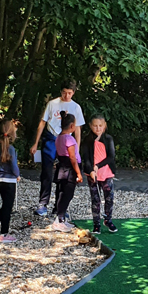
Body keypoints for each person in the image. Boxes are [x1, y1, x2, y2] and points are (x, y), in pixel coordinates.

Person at [29, 81, 84, 216]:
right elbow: (42, 123)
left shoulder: (76, 107)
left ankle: (60, 207)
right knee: (47, 171)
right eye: (64, 92)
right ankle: (43, 203)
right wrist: (35, 143)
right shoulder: (52, 104)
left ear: (74, 93)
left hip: (67, 141)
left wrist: (77, 148)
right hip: (51, 137)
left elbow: (78, 129)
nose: (66, 96)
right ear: (61, 91)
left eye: (70, 93)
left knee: (64, 174)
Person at [82, 114, 117, 234]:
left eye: (100, 126)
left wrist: (98, 166)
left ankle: (108, 220)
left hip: (106, 173)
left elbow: (111, 157)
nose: (98, 128)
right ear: (90, 126)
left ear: (105, 126)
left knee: (109, 198)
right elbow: (85, 158)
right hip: (92, 175)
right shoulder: (87, 140)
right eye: (95, 126)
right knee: (95, 200)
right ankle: (96, 224)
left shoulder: (108, 139)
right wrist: (91, 170)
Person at [0, 118, 21, 242]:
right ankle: (4, 233)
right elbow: (14, 166)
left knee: (6, 205)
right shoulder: (11, 148)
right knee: (8, 207)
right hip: (10, 181)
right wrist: (17, 175)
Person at [50, 112, 83, 232]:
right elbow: (72, 157)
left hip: (62, 167)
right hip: (69, 168)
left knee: (61, 193)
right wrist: (78, 173)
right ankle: (59, 220)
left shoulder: (59, 137)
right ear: (72, 126)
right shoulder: (69, 138)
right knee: (67, 194)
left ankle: (61, 218)